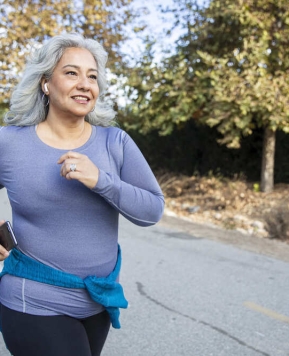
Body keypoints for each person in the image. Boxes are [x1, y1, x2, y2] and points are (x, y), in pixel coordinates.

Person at [0, 33, 164, 356]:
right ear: (46, 83)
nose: (84, 84)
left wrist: (101, 180)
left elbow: (152, 209)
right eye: (71, 73)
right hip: (31, 299)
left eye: (92, 77)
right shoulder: (11, 143)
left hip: (97, 303)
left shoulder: (114, 143)